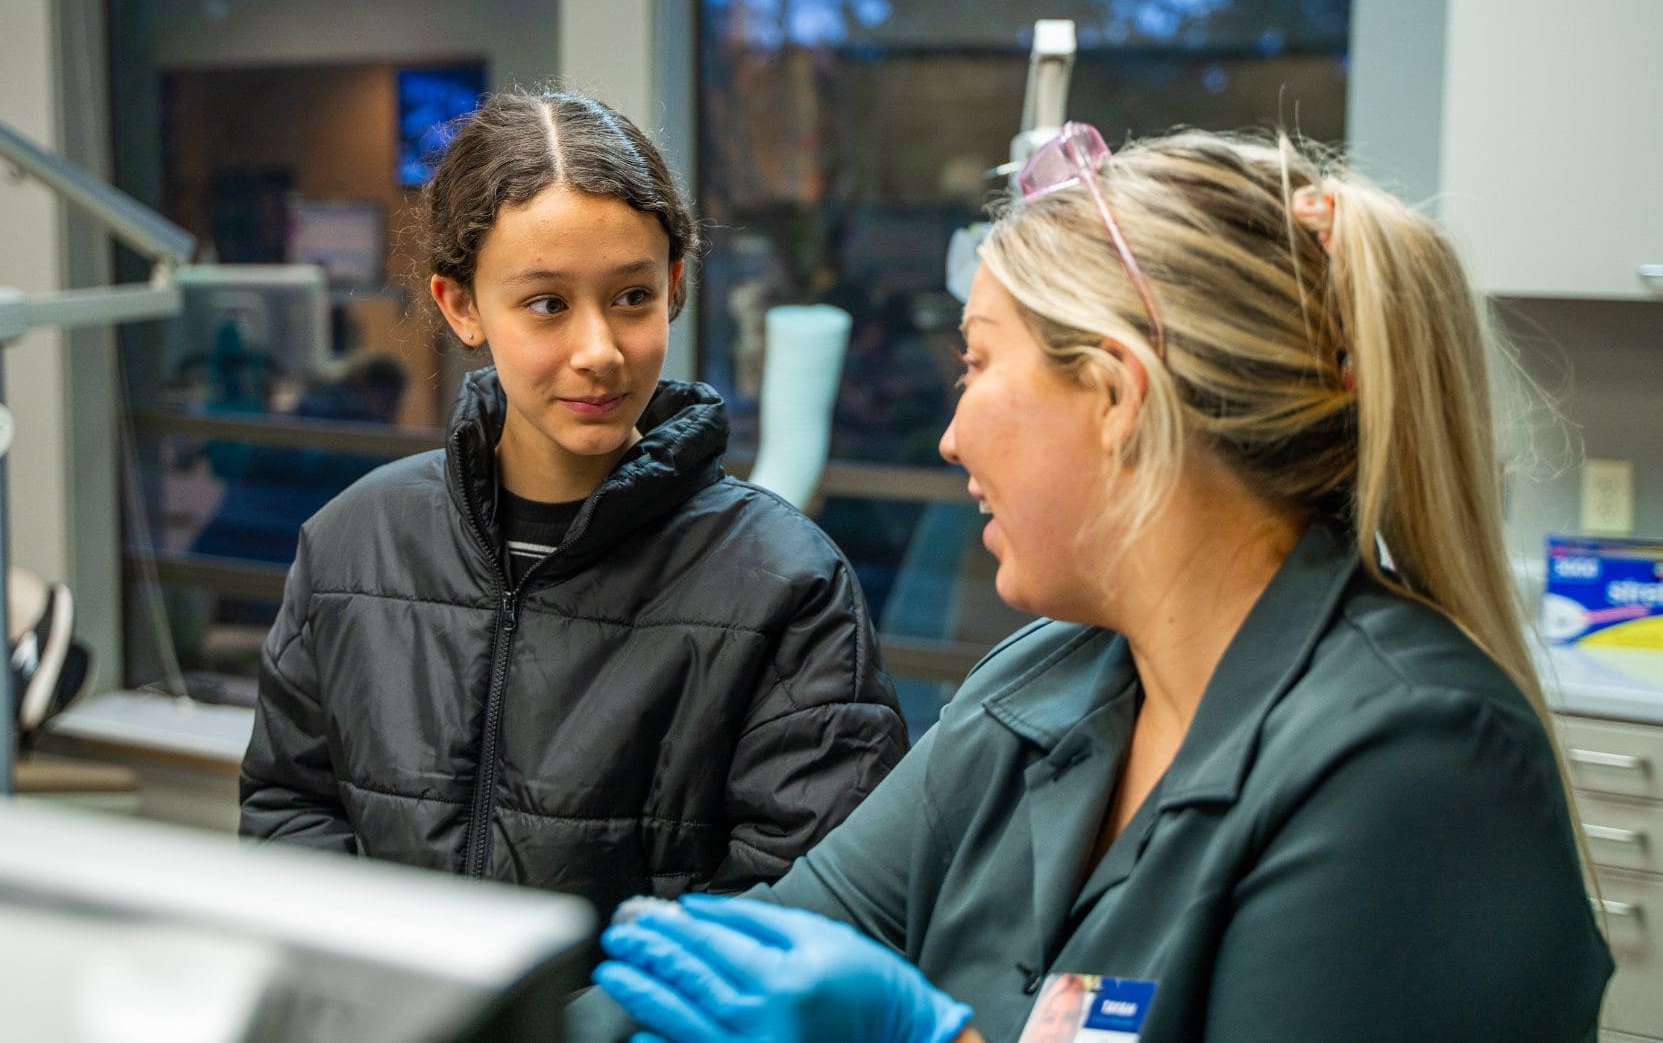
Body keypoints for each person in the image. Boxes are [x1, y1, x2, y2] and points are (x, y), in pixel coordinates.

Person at [587, 125, 1613, 1041]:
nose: (950, 435)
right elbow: (756, 953)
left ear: (1118, 395)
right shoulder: (1042, 689)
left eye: (977, 364)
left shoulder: (1417, 763)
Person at [239, 90, 908, 916]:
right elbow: (288, 811)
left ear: (671, 286)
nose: (598, 351)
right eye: (548, 304)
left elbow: (806, 908)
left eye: (629, 297)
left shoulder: (786, 585)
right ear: (461, 307)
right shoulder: (353, 542)